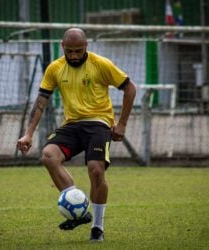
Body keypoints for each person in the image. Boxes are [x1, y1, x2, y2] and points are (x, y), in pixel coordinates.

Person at [17, 28, 136, 242]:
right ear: (62, 47)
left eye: (78, 51)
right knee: (48, 155)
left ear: (86, 47)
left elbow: (130, 88)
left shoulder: (101, 64)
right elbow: (41, 102)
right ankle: (78, 206)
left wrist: (122, 123)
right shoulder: (54, 68)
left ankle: (97, 228)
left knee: (96, 170)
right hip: (71, 125)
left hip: (99, 123)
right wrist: (28, 134)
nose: (73, 56)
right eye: (69, 51)